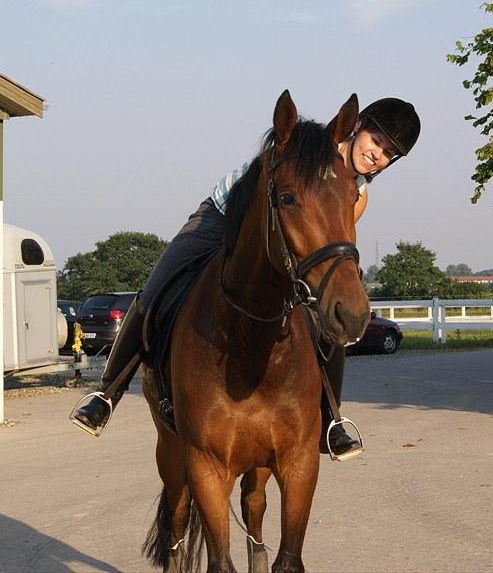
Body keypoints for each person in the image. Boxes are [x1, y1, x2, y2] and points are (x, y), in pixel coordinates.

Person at [71, 97, 421, 460]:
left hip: (275, 242)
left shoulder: (358, 193)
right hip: (220, 219)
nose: (379, 154)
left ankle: (331, 418)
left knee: (324, 319)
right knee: (156, 287)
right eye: (377, 140)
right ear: (357, 125)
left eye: (390, 153)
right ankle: (107, 393)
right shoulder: (312, 143)